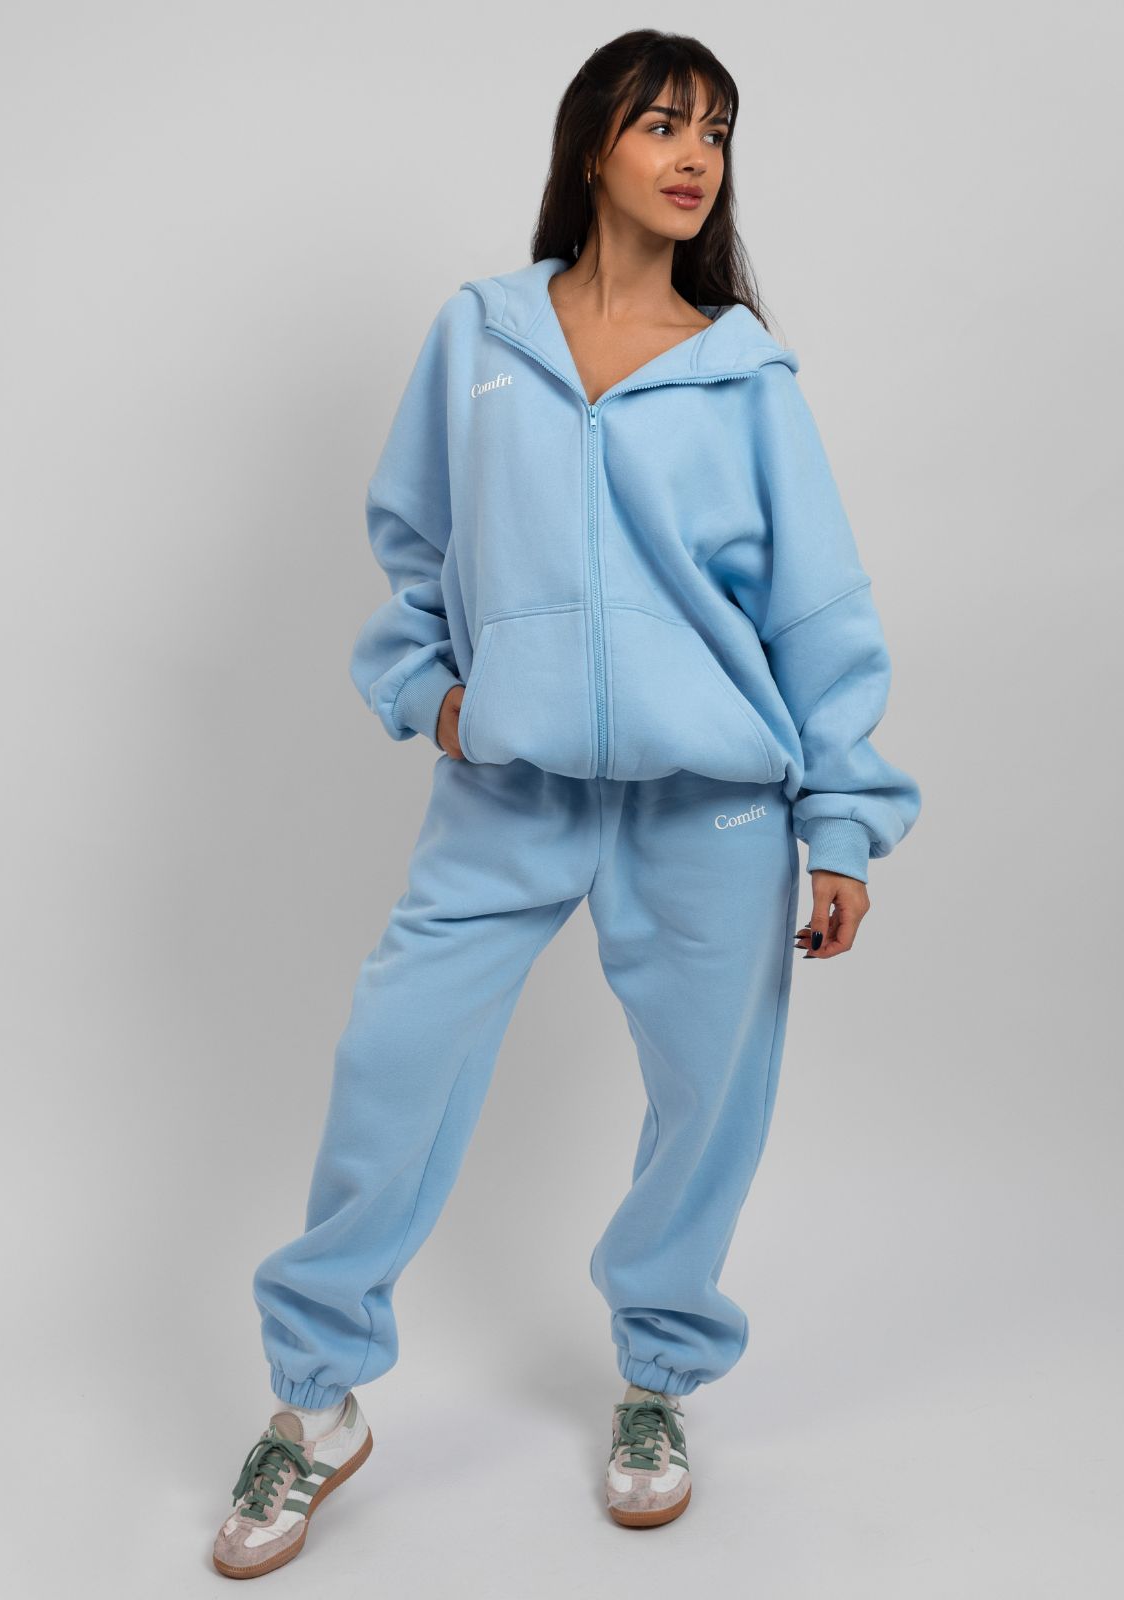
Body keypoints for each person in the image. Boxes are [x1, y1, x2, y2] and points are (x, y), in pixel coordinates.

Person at [211, 27, 921, 1577]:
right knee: (393, 1063)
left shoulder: (744, 373)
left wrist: (843, 822)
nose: (695, 155)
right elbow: (412, 541)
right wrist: (435, 696)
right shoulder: (481, 336)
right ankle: (315, 1400)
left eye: (717, 132)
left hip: (712, 805)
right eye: (663, 123)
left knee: (707, 1109)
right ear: (592, 143)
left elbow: (818, 612)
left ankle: (658, 1378)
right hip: (510, 789)